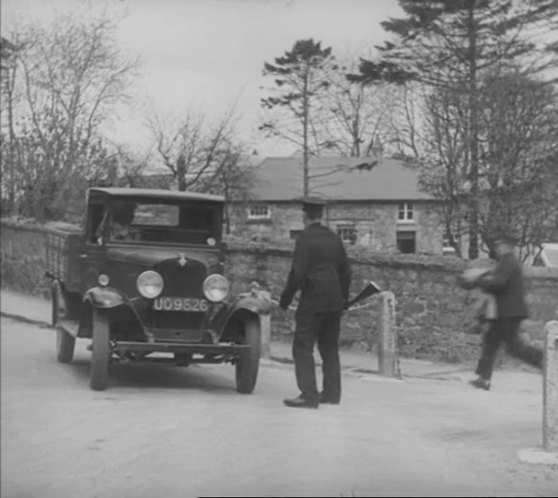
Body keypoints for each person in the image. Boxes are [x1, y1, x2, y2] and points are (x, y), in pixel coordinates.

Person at [279, 197, 351, 409]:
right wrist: (344, 300)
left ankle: (308, 395)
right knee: (329, 347)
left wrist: (285, 299)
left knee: (302, 347)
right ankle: (331, 393)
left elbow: (297, 273)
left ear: (304, 216)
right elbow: (346, 272)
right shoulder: (334, 238)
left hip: (312, 299)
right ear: (321, 215)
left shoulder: (304, 239)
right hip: (334, 299)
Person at [469, 234, 543, 391]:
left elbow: (498, 283)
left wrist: (479, 279)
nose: (497, 247)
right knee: (490, 342)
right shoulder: (506, 262)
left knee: (514, 347)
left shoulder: (508, 261)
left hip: (509, 312)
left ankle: (547, 362)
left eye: (500, 244)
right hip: (502, 312)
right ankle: (483, 378)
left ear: (508, 246)